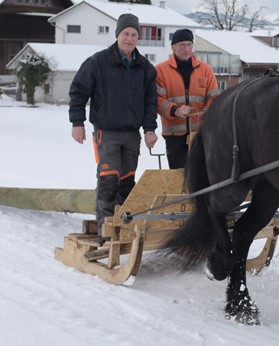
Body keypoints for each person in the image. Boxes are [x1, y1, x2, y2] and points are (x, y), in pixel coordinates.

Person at [69, 13, 158, 242]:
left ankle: (122, 226)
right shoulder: (98, 62)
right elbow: (78, 92)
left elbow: (151, 102)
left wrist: (149, 129)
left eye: (134, 35)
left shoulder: (145, 68)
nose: (130, 39)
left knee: (127, 182)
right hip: (106, 132)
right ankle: (106, 231)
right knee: (108, 179)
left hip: (131, 134)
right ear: (118, 35)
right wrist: (77, 123)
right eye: (126, 34)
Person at [155, 28, 219, 169]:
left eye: (189, 45)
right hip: (174, 135)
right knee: (178, 176)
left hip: (201, 133)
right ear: (173, 47)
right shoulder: (161, 70)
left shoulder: (205, 69)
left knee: (202, 174)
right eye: (182, 45)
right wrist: (175, 110)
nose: (186, 49)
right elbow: (157, 99)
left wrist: (209, 109)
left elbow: (214, 96)